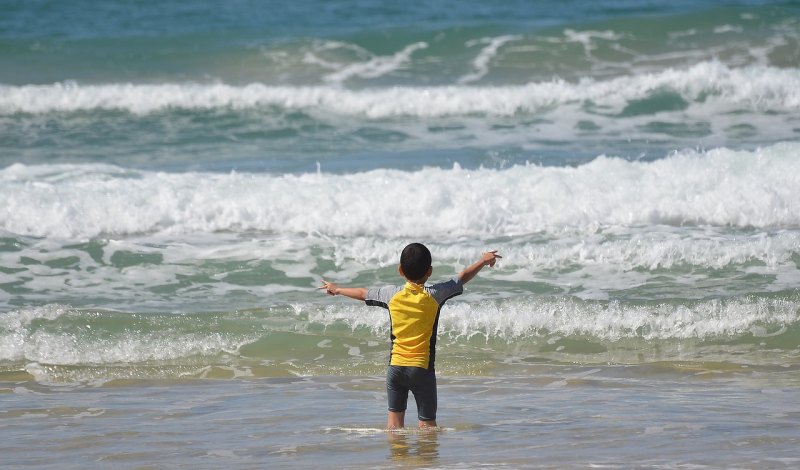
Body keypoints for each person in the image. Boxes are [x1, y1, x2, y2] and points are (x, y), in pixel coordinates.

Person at [319, 242, 501, 430]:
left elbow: (363, 293)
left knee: (394, 426)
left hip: (395, 369)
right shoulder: (436, 294)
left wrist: (337, 289)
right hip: (422, 370)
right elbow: (462, 278)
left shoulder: (391, 294)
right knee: (427, 426)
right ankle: (425, 458)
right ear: (429, 271)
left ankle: (397, 458)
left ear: (400, 270)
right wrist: (483, 260)